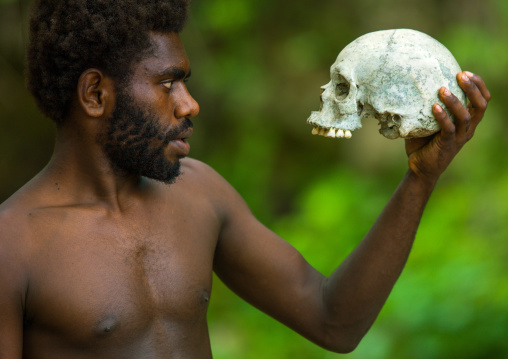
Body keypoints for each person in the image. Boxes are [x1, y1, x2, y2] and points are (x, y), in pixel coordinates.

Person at [0, 0, 491, 357]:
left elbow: (334, 320)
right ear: (94, 94)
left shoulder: (198, 194)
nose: (189, 104)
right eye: (168, 82)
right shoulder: (14, 245)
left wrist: (420, 179)